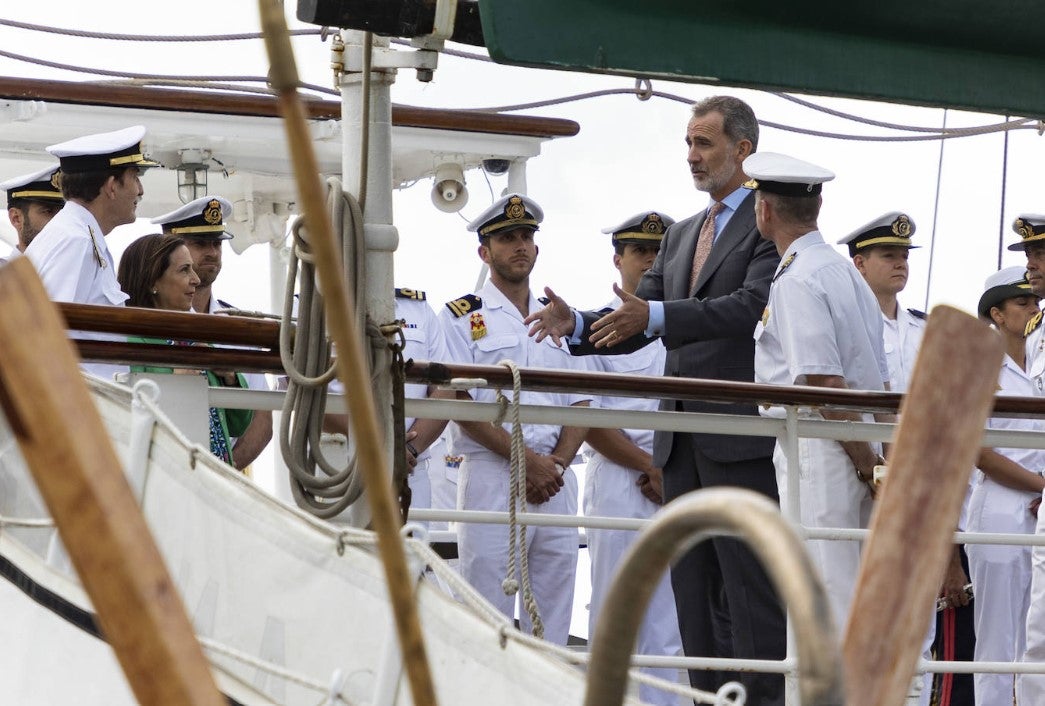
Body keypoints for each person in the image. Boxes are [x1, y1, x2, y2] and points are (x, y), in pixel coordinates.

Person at [525, 96, 785, 702]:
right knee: (692, 599)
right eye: (688, 145)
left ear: (742, 150)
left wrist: (658, 312)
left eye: (705, 144)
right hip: (680, 444)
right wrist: (580, 326)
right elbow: (639, 318)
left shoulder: (768, 223)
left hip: (736, 438)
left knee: (747, 595)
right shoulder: (685, 233)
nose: (692, 157)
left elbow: (750, 308)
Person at [438, 193, 591, 646]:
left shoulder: (560, 320)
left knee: (554, 622)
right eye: (507, 238)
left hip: (556, 484)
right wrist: (528, 461)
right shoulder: (461, 317)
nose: (519, 246)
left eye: (526, 237)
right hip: (493, 477)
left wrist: (556, 464)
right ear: (485, 253)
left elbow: (581, 403)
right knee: (487, 618)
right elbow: (460, 401)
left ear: (537, 250)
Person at [748, 151, 892, 631]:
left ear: (764, 211)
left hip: (825, 449)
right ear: (817, 205)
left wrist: (865, 461)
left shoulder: (798, 279)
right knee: (848, 595)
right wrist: (879, 458)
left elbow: (825, 384)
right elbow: (880, 379)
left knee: (822, 598)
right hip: (857, 444)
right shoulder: (843, 271)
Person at [839, 213, 973, 705]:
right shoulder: (848, 328)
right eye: (887, 256)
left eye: (903, 257)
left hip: (917, 481)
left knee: (918, 624)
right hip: (859, 480)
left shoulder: (923, 331)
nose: (900, 264)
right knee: (857, 610)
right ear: (859, 264)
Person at [581, 211, 682, 705]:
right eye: (641, 251)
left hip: (676, 481)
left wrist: (668, 469)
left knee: (671, 621)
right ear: (618, 259)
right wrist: (650, 466)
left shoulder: (683, 329)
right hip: (624, 481)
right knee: (616, 613)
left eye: (659, 251)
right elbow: (590, 420)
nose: (651, 261)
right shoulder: (597, 330)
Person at [24, 125, 159, 379]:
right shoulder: (76, 241)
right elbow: (51, 338)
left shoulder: (76, 234)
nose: (140, 190)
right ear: (111, 186)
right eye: (135, 177)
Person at [968, 267, 1045, 705]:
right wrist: (1042, 485)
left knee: (1034, 638)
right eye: (1022, 304)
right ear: (996, 313)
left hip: (1039, 507)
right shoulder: (980, 367)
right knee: (997, 643)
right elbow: (980, 452)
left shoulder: (1039, 363)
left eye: (1035, 302)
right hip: (1001, 506)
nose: (1034, 309)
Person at [150, 196, 272, 472]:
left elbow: (261, 420)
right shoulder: (146, 325)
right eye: (200, 243)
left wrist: (222, 471)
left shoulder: (240, 327)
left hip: (224, 476)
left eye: (217, 243)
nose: (212, 253)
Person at [116, 232, 254, 468]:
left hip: (212, 477)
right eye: (184, 270)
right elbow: (123, 418)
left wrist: (230, 378)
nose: (196, 279)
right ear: (152, 282)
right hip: (167, 480)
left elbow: (238, 425)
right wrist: (172, 385)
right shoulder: (129, 345)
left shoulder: (196, 339)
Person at [1009, 215, 1045, 703]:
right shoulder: (1038, 327)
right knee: (1038, 623)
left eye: (1040, 254)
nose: (1031, 265)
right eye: (1029, 255)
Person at [2, 164, 64, 255]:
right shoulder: (5, 269)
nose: (59, 220)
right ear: (16, 218)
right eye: (48, 211)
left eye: (63, 212)